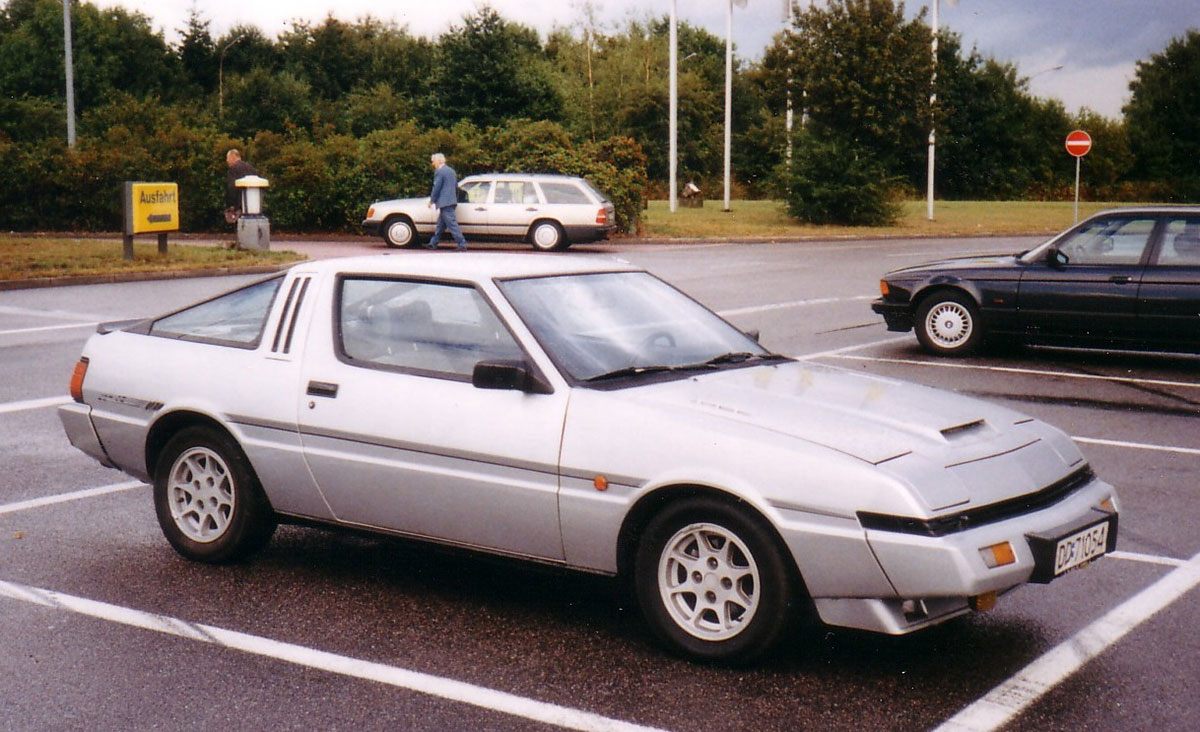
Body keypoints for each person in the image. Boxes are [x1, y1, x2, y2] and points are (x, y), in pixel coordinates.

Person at [425, 152, 467, 250]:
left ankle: (462, 244)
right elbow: (455, 187)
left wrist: (432, 200)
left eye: (433, 162)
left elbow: (437, 187)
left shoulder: (440, 172)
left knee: (452, 224)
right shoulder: (451, 171)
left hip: (444, 202)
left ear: (438, 161)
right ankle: (433, 243)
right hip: (451, 200)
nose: (433, 164)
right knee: (441, 224)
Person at [224, 149, 256, 223]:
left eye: (227, 158)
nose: (227, 161)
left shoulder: (233, 169)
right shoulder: (250, 168)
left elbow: (231, 187)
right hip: (252, 204)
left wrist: (231, 204)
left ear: (232, 157)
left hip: (238, 204)